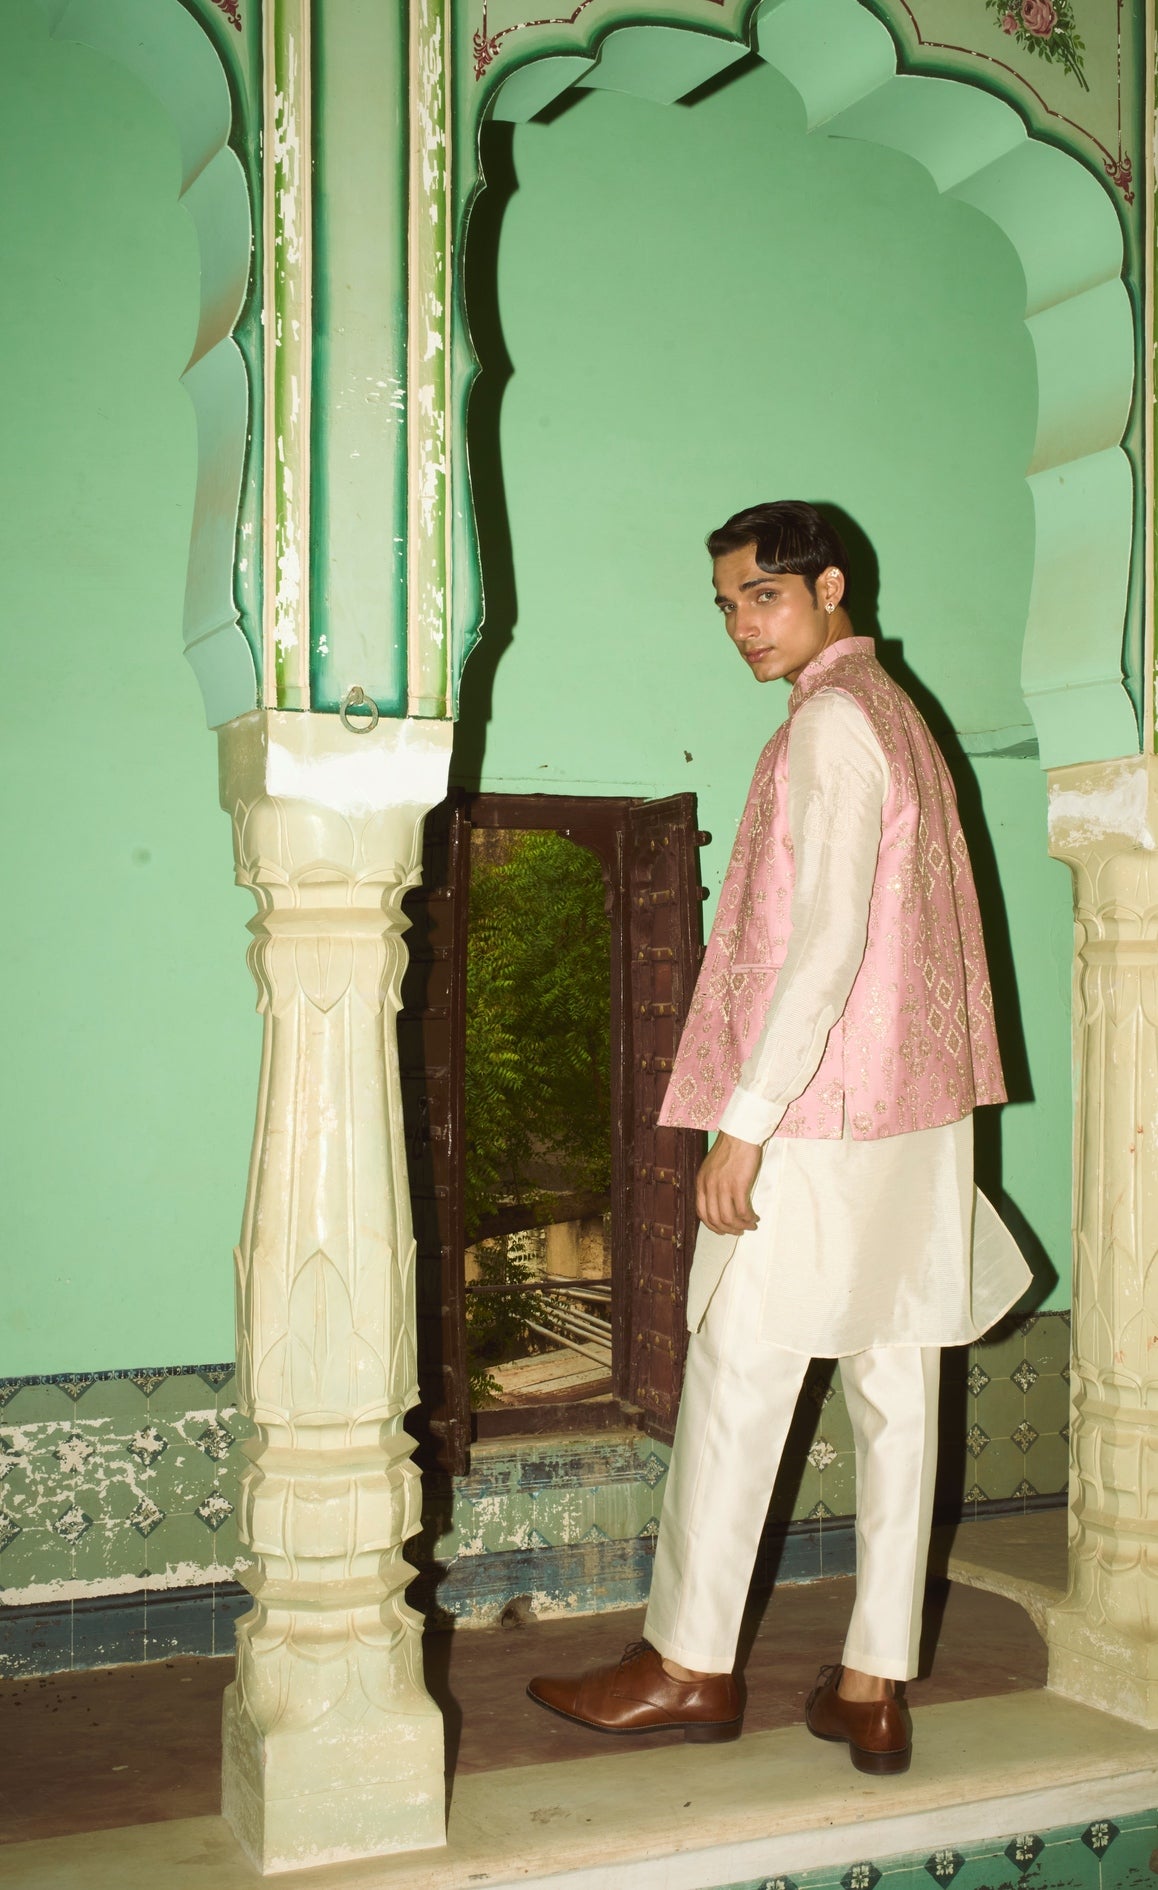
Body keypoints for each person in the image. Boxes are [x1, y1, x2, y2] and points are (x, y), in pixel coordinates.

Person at [527, 500, 1031, 1775]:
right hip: (917, 1114)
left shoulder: (831, 723)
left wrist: (744, 1127)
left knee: (740, 1372)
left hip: (820, 1115)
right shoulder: (900, 717)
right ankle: (872, 1685)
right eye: (727, 606)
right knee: (898, 1386)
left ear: (829, 587)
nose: (743, 626)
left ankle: (688, 1666)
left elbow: (825, 942)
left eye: (763, 596)